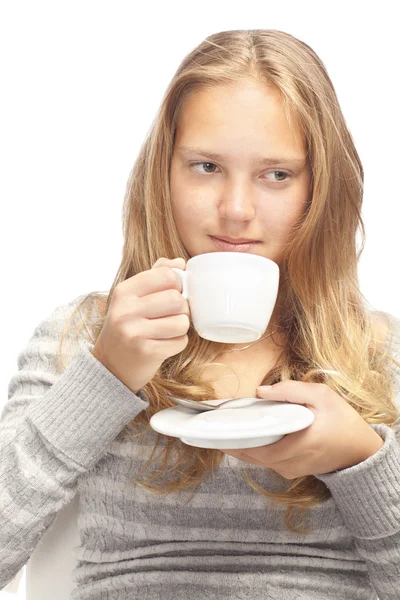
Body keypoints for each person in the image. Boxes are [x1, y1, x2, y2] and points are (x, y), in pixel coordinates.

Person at [1, 28, 400, 600]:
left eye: (277, 175)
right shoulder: (84, 339)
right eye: (207, 166)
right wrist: (105, 376)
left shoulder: (380, 356)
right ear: (164, 172)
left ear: (321, 191)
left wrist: (363, 461)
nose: (236, 210)